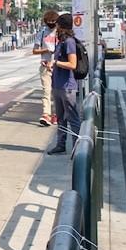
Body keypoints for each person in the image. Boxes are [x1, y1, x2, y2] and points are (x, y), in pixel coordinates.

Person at [46, 13, 81, 156]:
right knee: (61, 118)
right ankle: (61, 145)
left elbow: (73, 64)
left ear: (61, 26)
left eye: (58, 25)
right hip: (58, 85)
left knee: (73, 118)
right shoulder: (61, 41)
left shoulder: (69, 42)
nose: (56, 27)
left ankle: (78, 148)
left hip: (67, 86)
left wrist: (56, 63)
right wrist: (52, 66)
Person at [32, 10, 60, 127]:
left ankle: (57, 114)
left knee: (57, 92)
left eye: (53, 21)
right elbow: (34, 50)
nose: (51, 23)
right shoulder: (42, 33)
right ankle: (46, 114)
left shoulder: (60, 33)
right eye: (49, 22)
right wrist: (46, 50)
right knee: (46, 91)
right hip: (45, 66)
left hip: (58, 66)